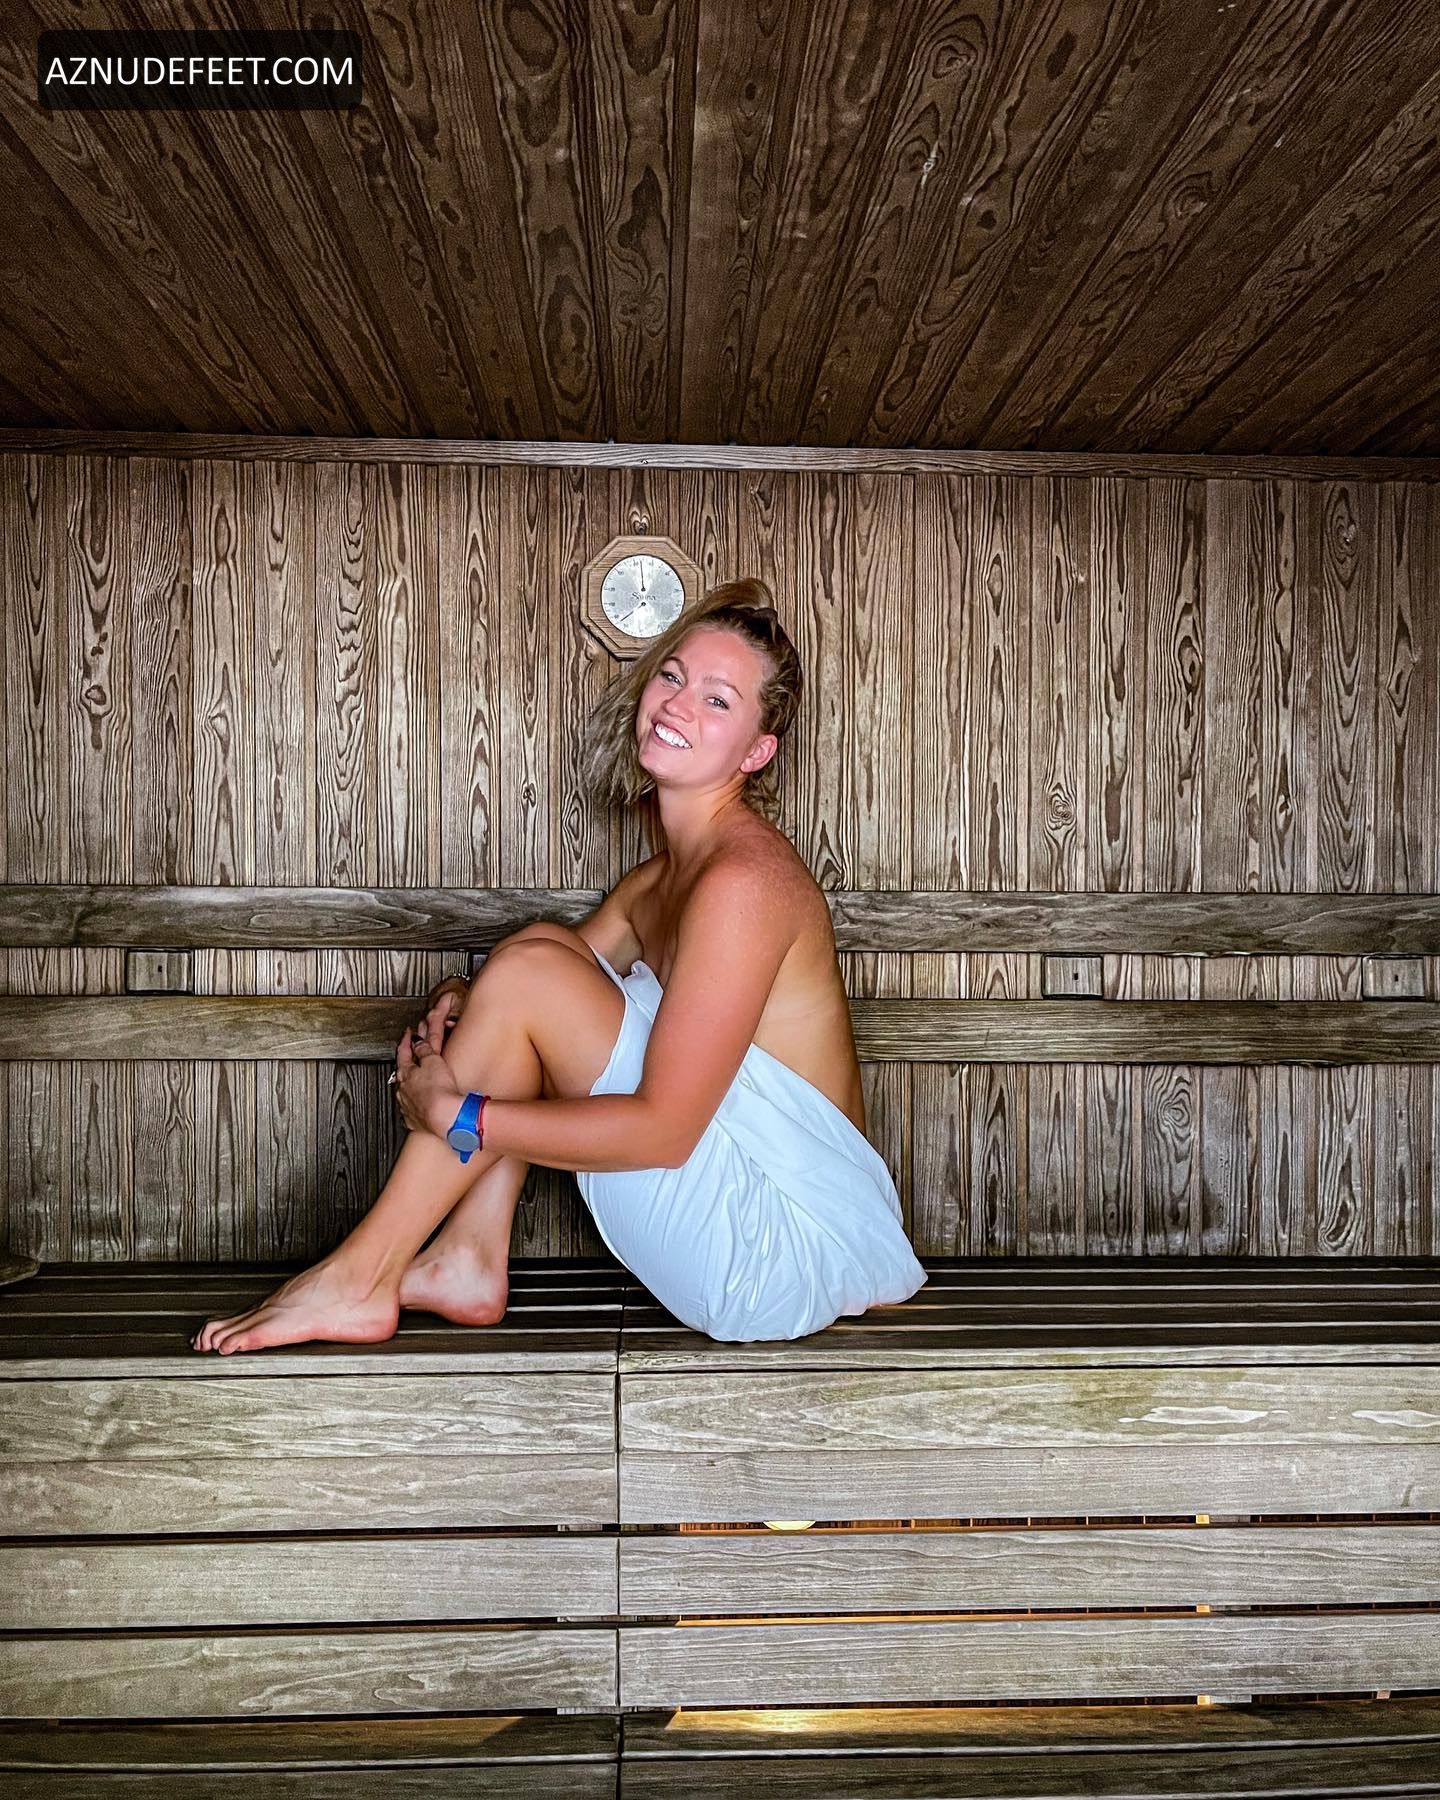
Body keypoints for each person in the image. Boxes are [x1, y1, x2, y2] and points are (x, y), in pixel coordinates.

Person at [193, 579, 927, 1354]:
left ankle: (360, 1276)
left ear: (756, 750)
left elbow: (664, 1133)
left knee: (528, 977)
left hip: (775, 1250)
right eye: (672, 676)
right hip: (733, 1215)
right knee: (530, 961)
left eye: (717, 700)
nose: (677, 705)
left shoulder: (744, 885)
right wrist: (465, 996)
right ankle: (468, 1256)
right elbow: (539, 979)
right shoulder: (659, 882)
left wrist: (459, 1116)